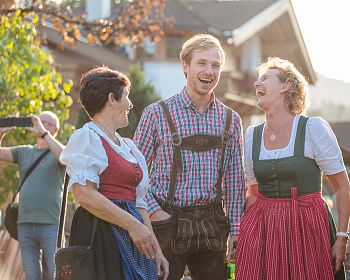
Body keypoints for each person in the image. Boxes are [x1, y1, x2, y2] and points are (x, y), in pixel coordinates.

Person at [133, 34, 245, 280]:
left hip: (212, 225)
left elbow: (236, 181)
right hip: (166, 223)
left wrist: (236, 229)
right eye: (202, 63)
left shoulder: (230, 120)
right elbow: (135, 173)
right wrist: (154, 211)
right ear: (185, 65)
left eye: (215, 65)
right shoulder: (157, 114)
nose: (209, 71)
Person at [235, 57, 350, 280]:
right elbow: (254, 192)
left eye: (265, 78)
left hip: (308, 226)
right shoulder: (252, 135)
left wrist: (342, 237)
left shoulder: (312, 128)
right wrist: (244, 233)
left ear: (286, 86)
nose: (257, 84)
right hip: (266, 228)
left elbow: (342, 186)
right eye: (257, 81)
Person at [60, 66, 169, 280]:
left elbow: (140, 203)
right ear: (112, 98)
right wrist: (132, 224)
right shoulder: (87, 138)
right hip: (100, 232)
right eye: (126, 96)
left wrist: (156, 251)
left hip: (133, 233)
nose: (130, 104)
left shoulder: (128, 147)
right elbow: (84, 195)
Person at [0, 111, 65, 280]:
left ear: (55, 129)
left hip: (51, 224)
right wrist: (2, 132)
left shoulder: (59, 151)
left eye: (48, 123)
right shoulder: (24, 151)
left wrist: (44, 133)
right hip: (25, 223)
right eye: (40, 121)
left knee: (56, 273)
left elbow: (65, 158)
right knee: (32, 275)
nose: (42, 125)